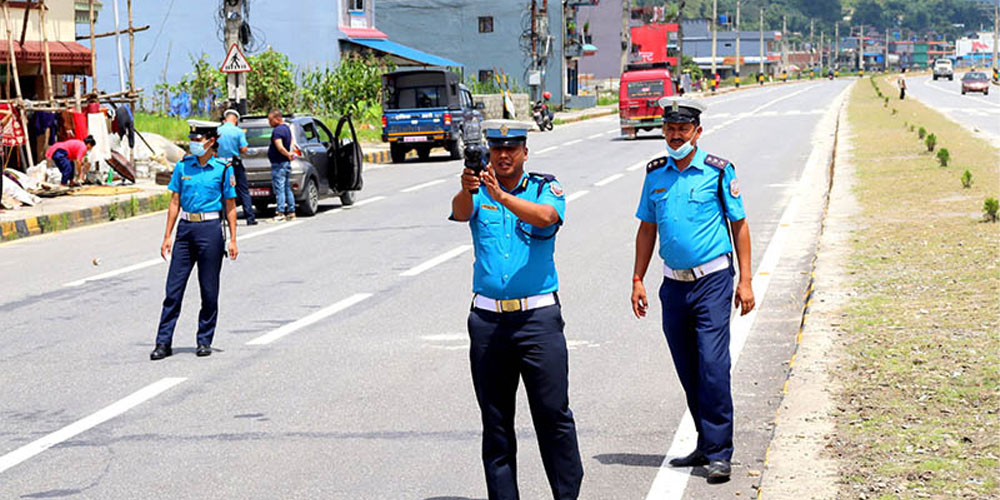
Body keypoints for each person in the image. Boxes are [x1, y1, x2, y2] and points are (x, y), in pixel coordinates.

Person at [450, 120, 583, 500]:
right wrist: (466, 188)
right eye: (497, 149)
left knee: (553, 415)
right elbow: (460, 213)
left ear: (525, 152)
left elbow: (547, 217)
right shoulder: (479, 188)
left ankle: (567, 495)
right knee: (495, 423)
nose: (503, 155)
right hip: (489, 322)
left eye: (512, 149)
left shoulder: (545, 187)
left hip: (537, 319)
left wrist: (503, 198)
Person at [630, 98, 755, 483]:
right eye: (670, 129)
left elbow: (740, 225)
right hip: (674, 285)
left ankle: (720, 452)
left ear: (697, 132)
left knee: (713, 366)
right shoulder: (655, 175)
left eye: (683, 130)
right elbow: (647, 229)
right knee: (688, 368)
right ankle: (704, 442)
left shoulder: (718, 171)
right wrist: (637, 278)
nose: (675, 135)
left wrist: (745, 279)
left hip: (714, 282)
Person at [150, 121, 238, 361]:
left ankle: (204, 340)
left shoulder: (222, 168)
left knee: (209, 291)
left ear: (210, 141)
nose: (194, 143)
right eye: (192, 139)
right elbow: (174, 202)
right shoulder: (183, 166)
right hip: (185, 230)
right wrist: (167, 235)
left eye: (198, 140)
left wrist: (232, 239)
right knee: (173, 290)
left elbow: (230, 206)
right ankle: (163, 342)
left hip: (210, 229)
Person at [217, 109, 255, 225]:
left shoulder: (217, 130)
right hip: (234, 164)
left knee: (221, 189)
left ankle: (221, 217)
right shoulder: (238, 132)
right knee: (242, 190)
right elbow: (244, 148)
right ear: (236, 120)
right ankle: (250, 218)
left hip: (220, 164)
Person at [267, 109, 297, 222]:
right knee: (286, 188)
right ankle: (291, 211)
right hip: (285, 163)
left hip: (279, 163)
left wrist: (287, 154)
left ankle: (280, 212)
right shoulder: (286, 128)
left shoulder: (278, 131)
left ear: (277, 119)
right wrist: (291, 152)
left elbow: (279, 147)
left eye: (271, 120)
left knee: (279, 189)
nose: (269, 123)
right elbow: (292, 141)